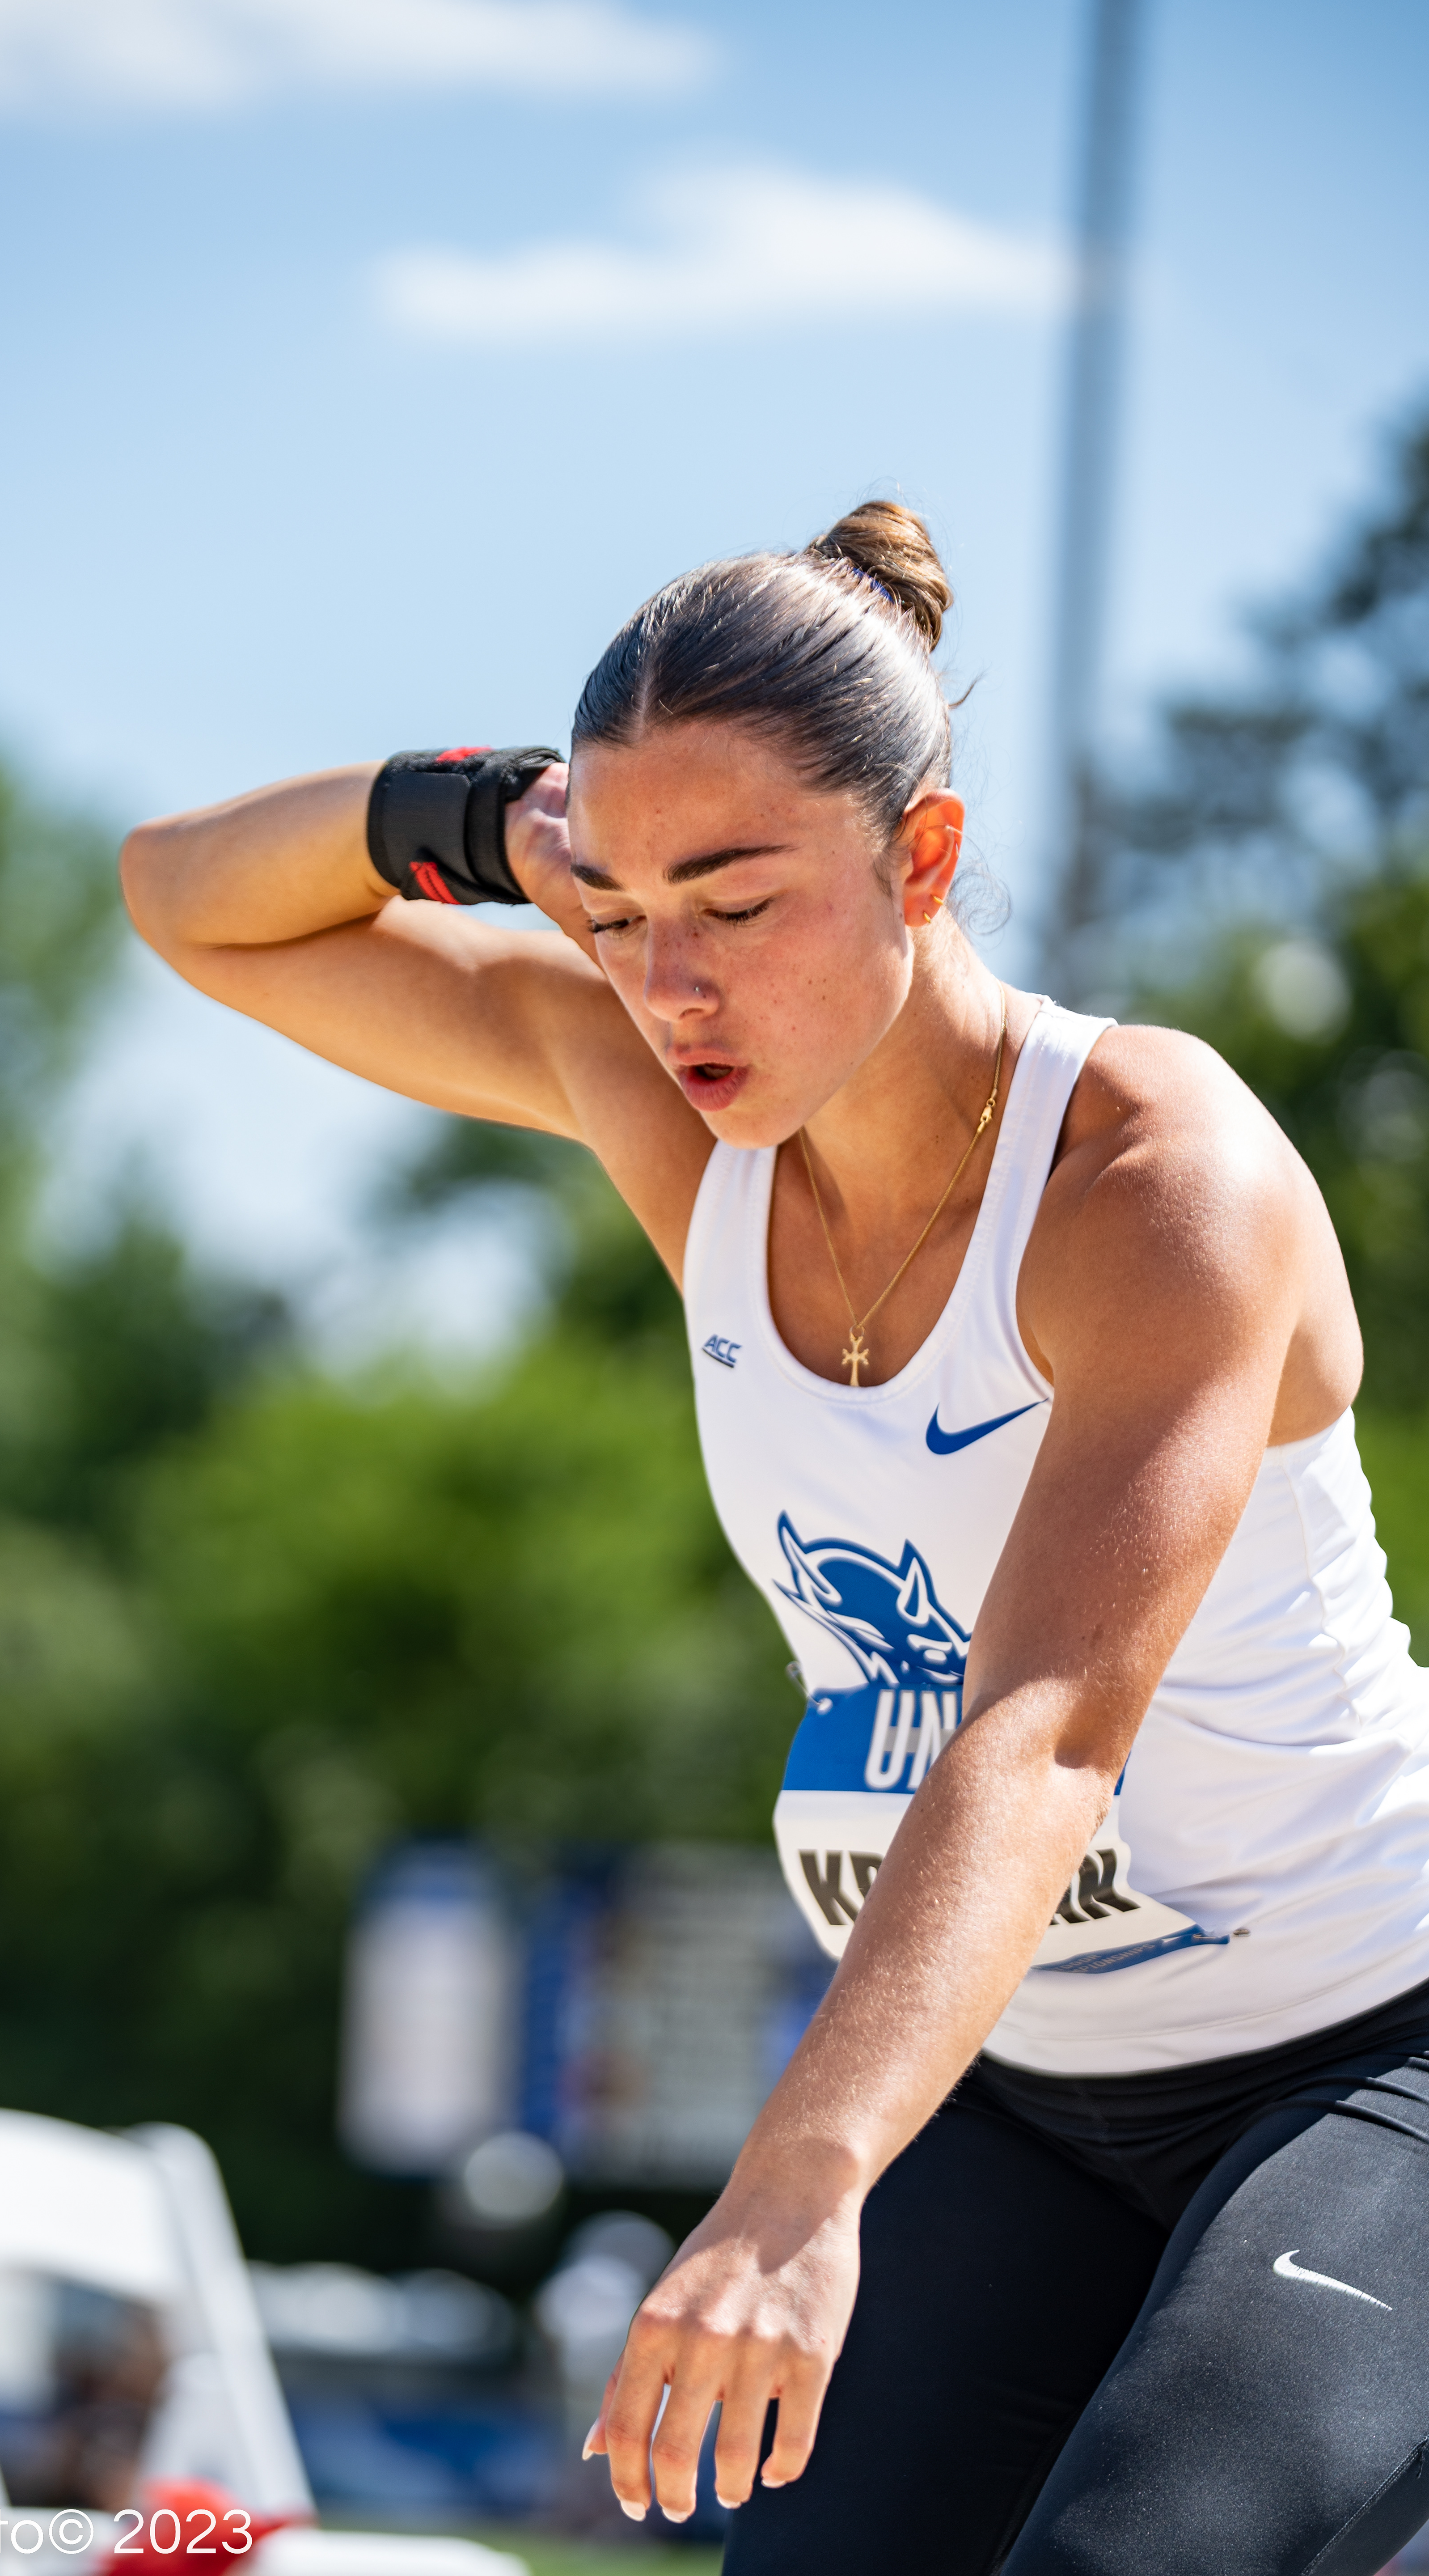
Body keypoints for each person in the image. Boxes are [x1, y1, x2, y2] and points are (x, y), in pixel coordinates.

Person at [122, 501, 1429, 2575]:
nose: (668, 983)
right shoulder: (681, 1122)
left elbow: (1051, 1730)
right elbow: (183, 900)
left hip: (1372, 2063)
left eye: (735, 899)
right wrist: (474, 818)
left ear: (923, 856)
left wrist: (794, 2182)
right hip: (1015, 2089)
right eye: (625, 911)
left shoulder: (1157, 1181)